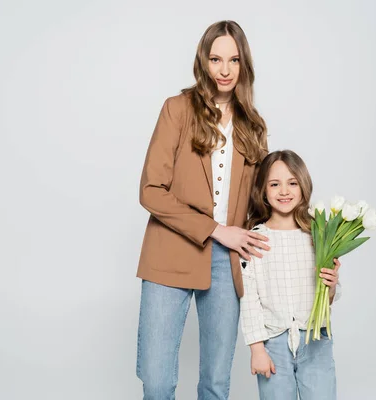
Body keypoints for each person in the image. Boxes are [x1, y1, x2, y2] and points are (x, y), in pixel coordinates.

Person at [135, 20, 269, 399]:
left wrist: (308, 242)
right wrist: (214, 229)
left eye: (233, 60)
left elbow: (261, 205)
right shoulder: (176, 110)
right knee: (158, 381)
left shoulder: (253, 126)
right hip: (169, 253)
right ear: (203, 62)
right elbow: (150, 190)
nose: (224, 70)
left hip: (227, 263)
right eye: (215, 59)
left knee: (215, 383)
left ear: (244, 65)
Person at [239, 150, 341, 400]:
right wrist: (256, 350)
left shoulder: (318, 235)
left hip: (315, 339)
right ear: (263, 190)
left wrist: (333, 285)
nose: (284, 191)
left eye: (292, 183)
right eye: (275, 184)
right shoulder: (255, 239)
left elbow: (327, 298)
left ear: (303, 186)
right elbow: (249, 298)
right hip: (273, 342)